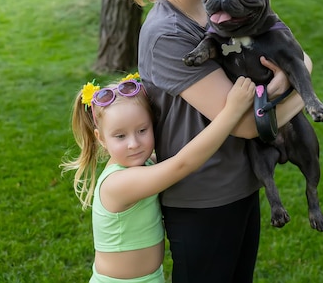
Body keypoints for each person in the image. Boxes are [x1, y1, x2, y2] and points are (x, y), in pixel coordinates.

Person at [126, 0, 310, 283]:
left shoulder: (220, 9)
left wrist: (297, 69)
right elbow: (245, 124)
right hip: (202, 199)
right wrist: (299, 76)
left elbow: (287, 52)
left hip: (242, 182)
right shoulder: (167, 34)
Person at [63, 73, 257, 283]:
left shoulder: (144, 165)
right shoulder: (118, 183)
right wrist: (232, 112)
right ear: (101, 139)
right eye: (120, 136)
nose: (134, 143)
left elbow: (181, 155)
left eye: (142, 130)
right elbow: (181, 164)